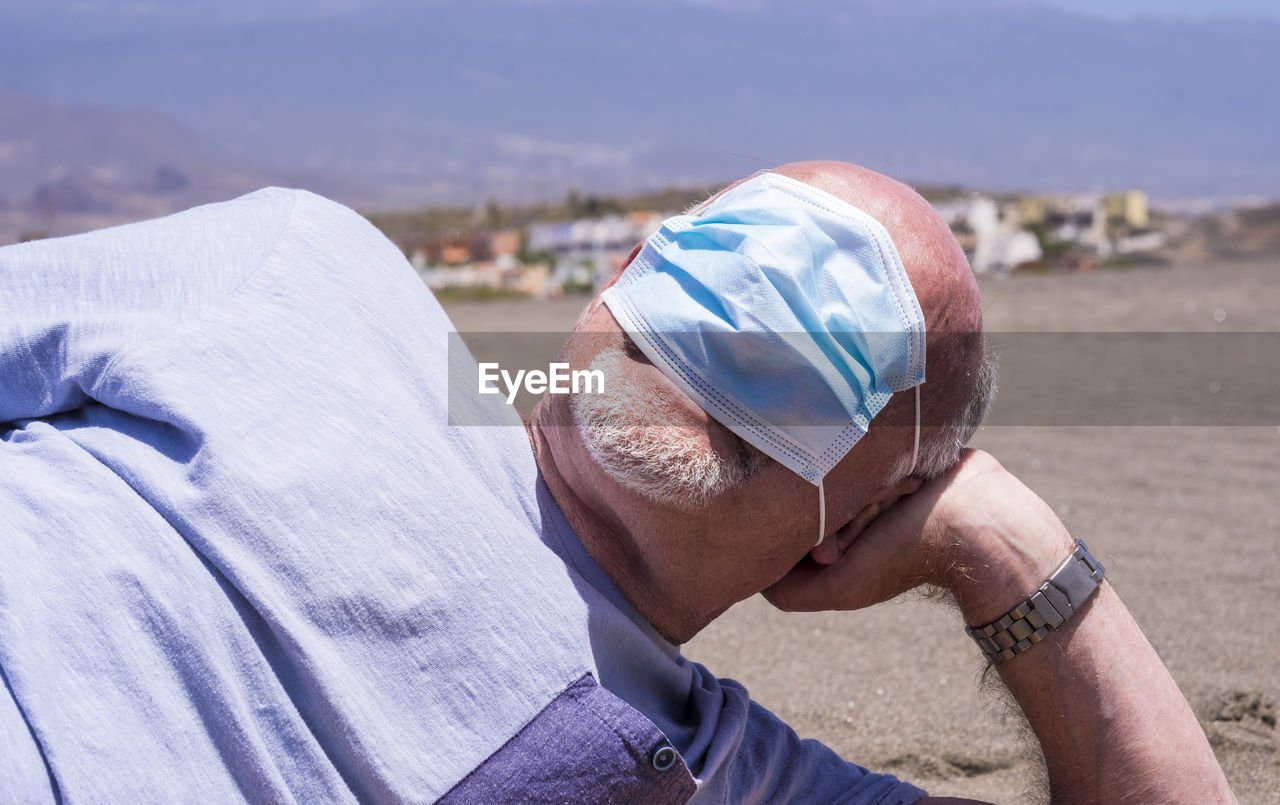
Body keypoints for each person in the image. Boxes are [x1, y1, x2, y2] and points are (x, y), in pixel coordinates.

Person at [0, 161, 1232, 803]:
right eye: (736, 263)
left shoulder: (693, 763)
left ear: (851, 525)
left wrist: (1007, 552)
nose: (759, 323)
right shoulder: (298, 275)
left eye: (840, 344)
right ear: (626, 272)